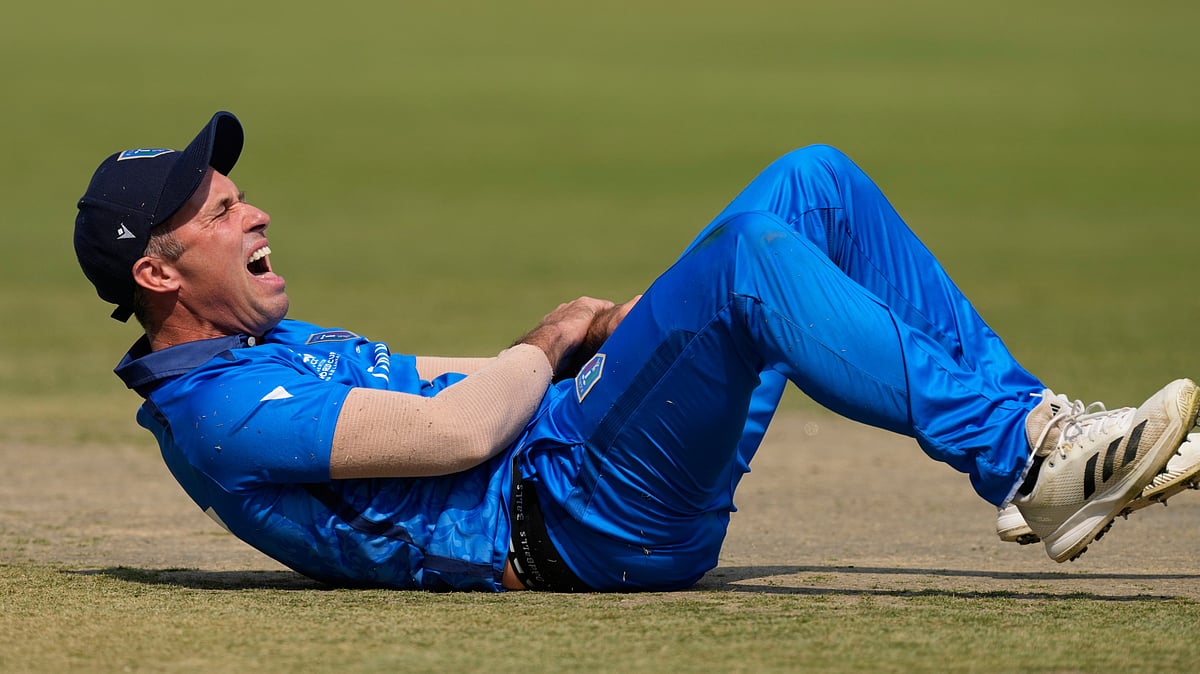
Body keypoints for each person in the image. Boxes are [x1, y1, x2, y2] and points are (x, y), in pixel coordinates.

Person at [74, 111, 1200, 592]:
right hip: (571, 525)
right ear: (160, 276)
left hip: (574, 460)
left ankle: (1041, 441)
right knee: (755, 252)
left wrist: (625, 341)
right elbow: (461, 429)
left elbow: (440, 383)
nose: (255, 212)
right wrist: (551, 338)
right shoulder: (214, 409)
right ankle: (1028, 455)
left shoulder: (261, 340)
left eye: (236, 194)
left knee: (811, 183)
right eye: (220, 213)